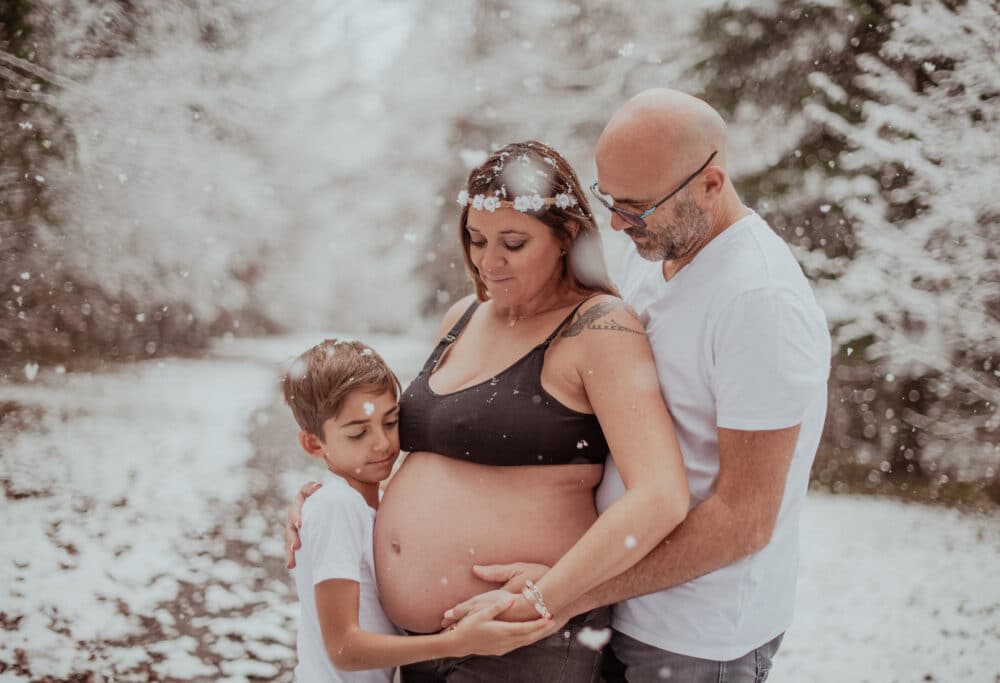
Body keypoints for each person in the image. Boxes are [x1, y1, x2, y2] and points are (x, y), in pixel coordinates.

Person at [445, 90, 832, 682]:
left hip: (697, 636)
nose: (621, 225)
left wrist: (562, 595)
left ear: (711, 182)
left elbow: (743, 519)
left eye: (639, 207)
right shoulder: (656, 251)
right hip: (614, 610)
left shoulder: (759, 302)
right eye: (610, 201)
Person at [285, 141, 691, 681]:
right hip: (417, 644)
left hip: (519, 642)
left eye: (513, 243)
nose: (487, 261)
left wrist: (546, 598)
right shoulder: (463, 317)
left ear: (566, 236)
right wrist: (335, 495)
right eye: (476, 240)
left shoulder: (600, 328)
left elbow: (660, 497)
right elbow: (424, 460)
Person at [280, 339, 557, 682]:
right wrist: (455, 643)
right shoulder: (336, 506)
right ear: (313, 443)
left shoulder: (366, 501)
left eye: (390, 421)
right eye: (358, 433)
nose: (382, 443)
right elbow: (343, 649)